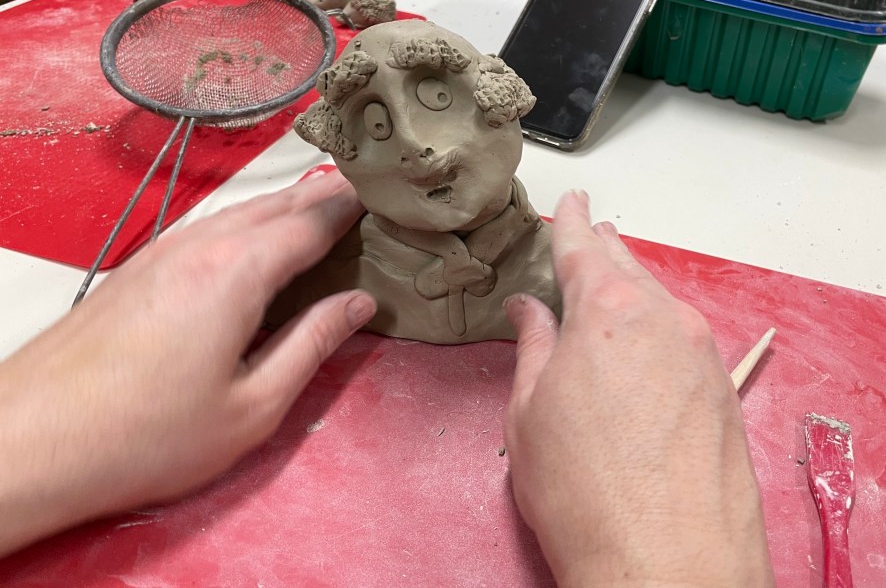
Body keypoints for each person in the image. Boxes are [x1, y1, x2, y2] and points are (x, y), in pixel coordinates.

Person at [0, 168, 776, 585]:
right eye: (375, 124)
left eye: (445, 98)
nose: (419, 145)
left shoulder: (541, 268)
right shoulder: (331, 268)